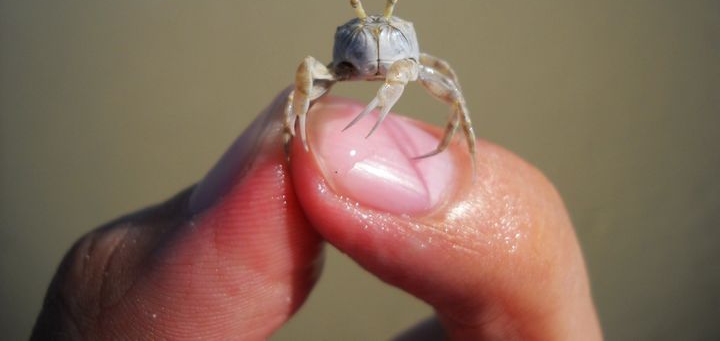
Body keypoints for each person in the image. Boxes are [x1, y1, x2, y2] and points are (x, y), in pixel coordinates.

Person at [31, 92, 603, 340]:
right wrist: (300, 115)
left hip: (384, 94)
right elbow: (309, 77)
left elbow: (439, 80)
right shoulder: (345, 54)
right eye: (363, 24)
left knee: (446, 84)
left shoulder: (402, 54)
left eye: (385, 26)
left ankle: (452, 146)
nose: (374, 35)